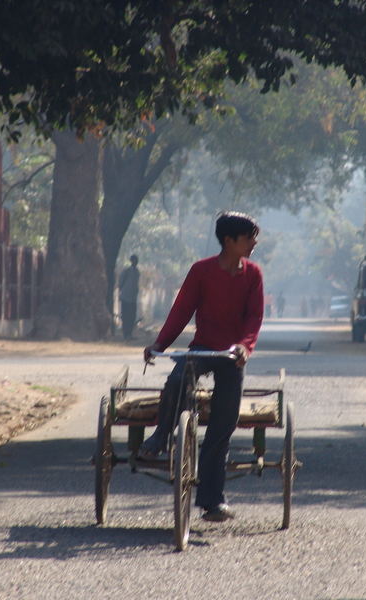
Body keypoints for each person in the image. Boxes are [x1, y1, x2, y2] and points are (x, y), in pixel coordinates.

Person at [141, 211, 263, 522]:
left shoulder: (253, 275)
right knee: (178, 378)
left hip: (232, 356)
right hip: (202, 348)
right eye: (249, 238)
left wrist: (244, 347)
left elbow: (254, 318)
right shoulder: (201, 271)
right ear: (229, 241)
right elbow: (182, 310)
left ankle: (212, 501)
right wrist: (160, 345)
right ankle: (161, 434)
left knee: (222, 427)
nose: (254, 243)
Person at [118, 254, 140, 340]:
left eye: (136, 260)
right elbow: (120, 283)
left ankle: (129, 334)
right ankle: (125, 334)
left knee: (132, 316)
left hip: (133, 298)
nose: (135, 262)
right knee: (125, 316)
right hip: (125, 297)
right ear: (131, 261)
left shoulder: (137, 272)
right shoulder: (126, 271)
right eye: (134, 260)